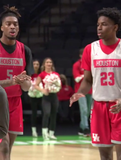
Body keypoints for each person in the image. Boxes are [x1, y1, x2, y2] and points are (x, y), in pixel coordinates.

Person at [70, 8, 121, 160]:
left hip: (118, 105)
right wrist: (80, 93)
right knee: (104, 154)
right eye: (98, 24)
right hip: (99, 106)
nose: (99, 27)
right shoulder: (90, 49)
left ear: (115, 27)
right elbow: (87, 80)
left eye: (104, 24)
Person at [0, 5, 33, 160]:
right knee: (3, 144)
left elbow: (26, 88)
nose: (12, 26)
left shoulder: (25, 50)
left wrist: (24, 82)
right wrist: (12, 81)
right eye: (9, 24)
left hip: (15, 103)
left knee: (7, 149)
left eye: (15, 24)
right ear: (2, 27)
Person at [34, 58, 61, 140]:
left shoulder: (56, 74)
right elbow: (36, 85)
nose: (49, 64)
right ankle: (44, 133)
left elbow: (59, 85)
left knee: (54, 114)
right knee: (46, 113)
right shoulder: (42, 74)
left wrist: (57, 85)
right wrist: (42, 90)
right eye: (47, 62)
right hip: (46, 97)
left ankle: (51, 133)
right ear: (44, 64)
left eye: (50, 62)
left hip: (54, 96)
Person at [72, 48, 92, 136]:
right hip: (80, 91)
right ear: (80, 55)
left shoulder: (91, 65)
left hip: (90, 90)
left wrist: (84, 76)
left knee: (88, 111)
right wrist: (86, 75)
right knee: (83, 110)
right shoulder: (76, 65)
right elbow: (77, 79)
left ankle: (81, 127)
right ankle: (86, 129)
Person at [28, 59, 43, 137]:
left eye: (37, 64)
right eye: (34, 64)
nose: (36, 66)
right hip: (32, 96)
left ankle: (44, 130)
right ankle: (34, 131)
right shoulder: (29, 75)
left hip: (41, 95)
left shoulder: (41, 74)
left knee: (44, 112)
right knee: (34, 113)